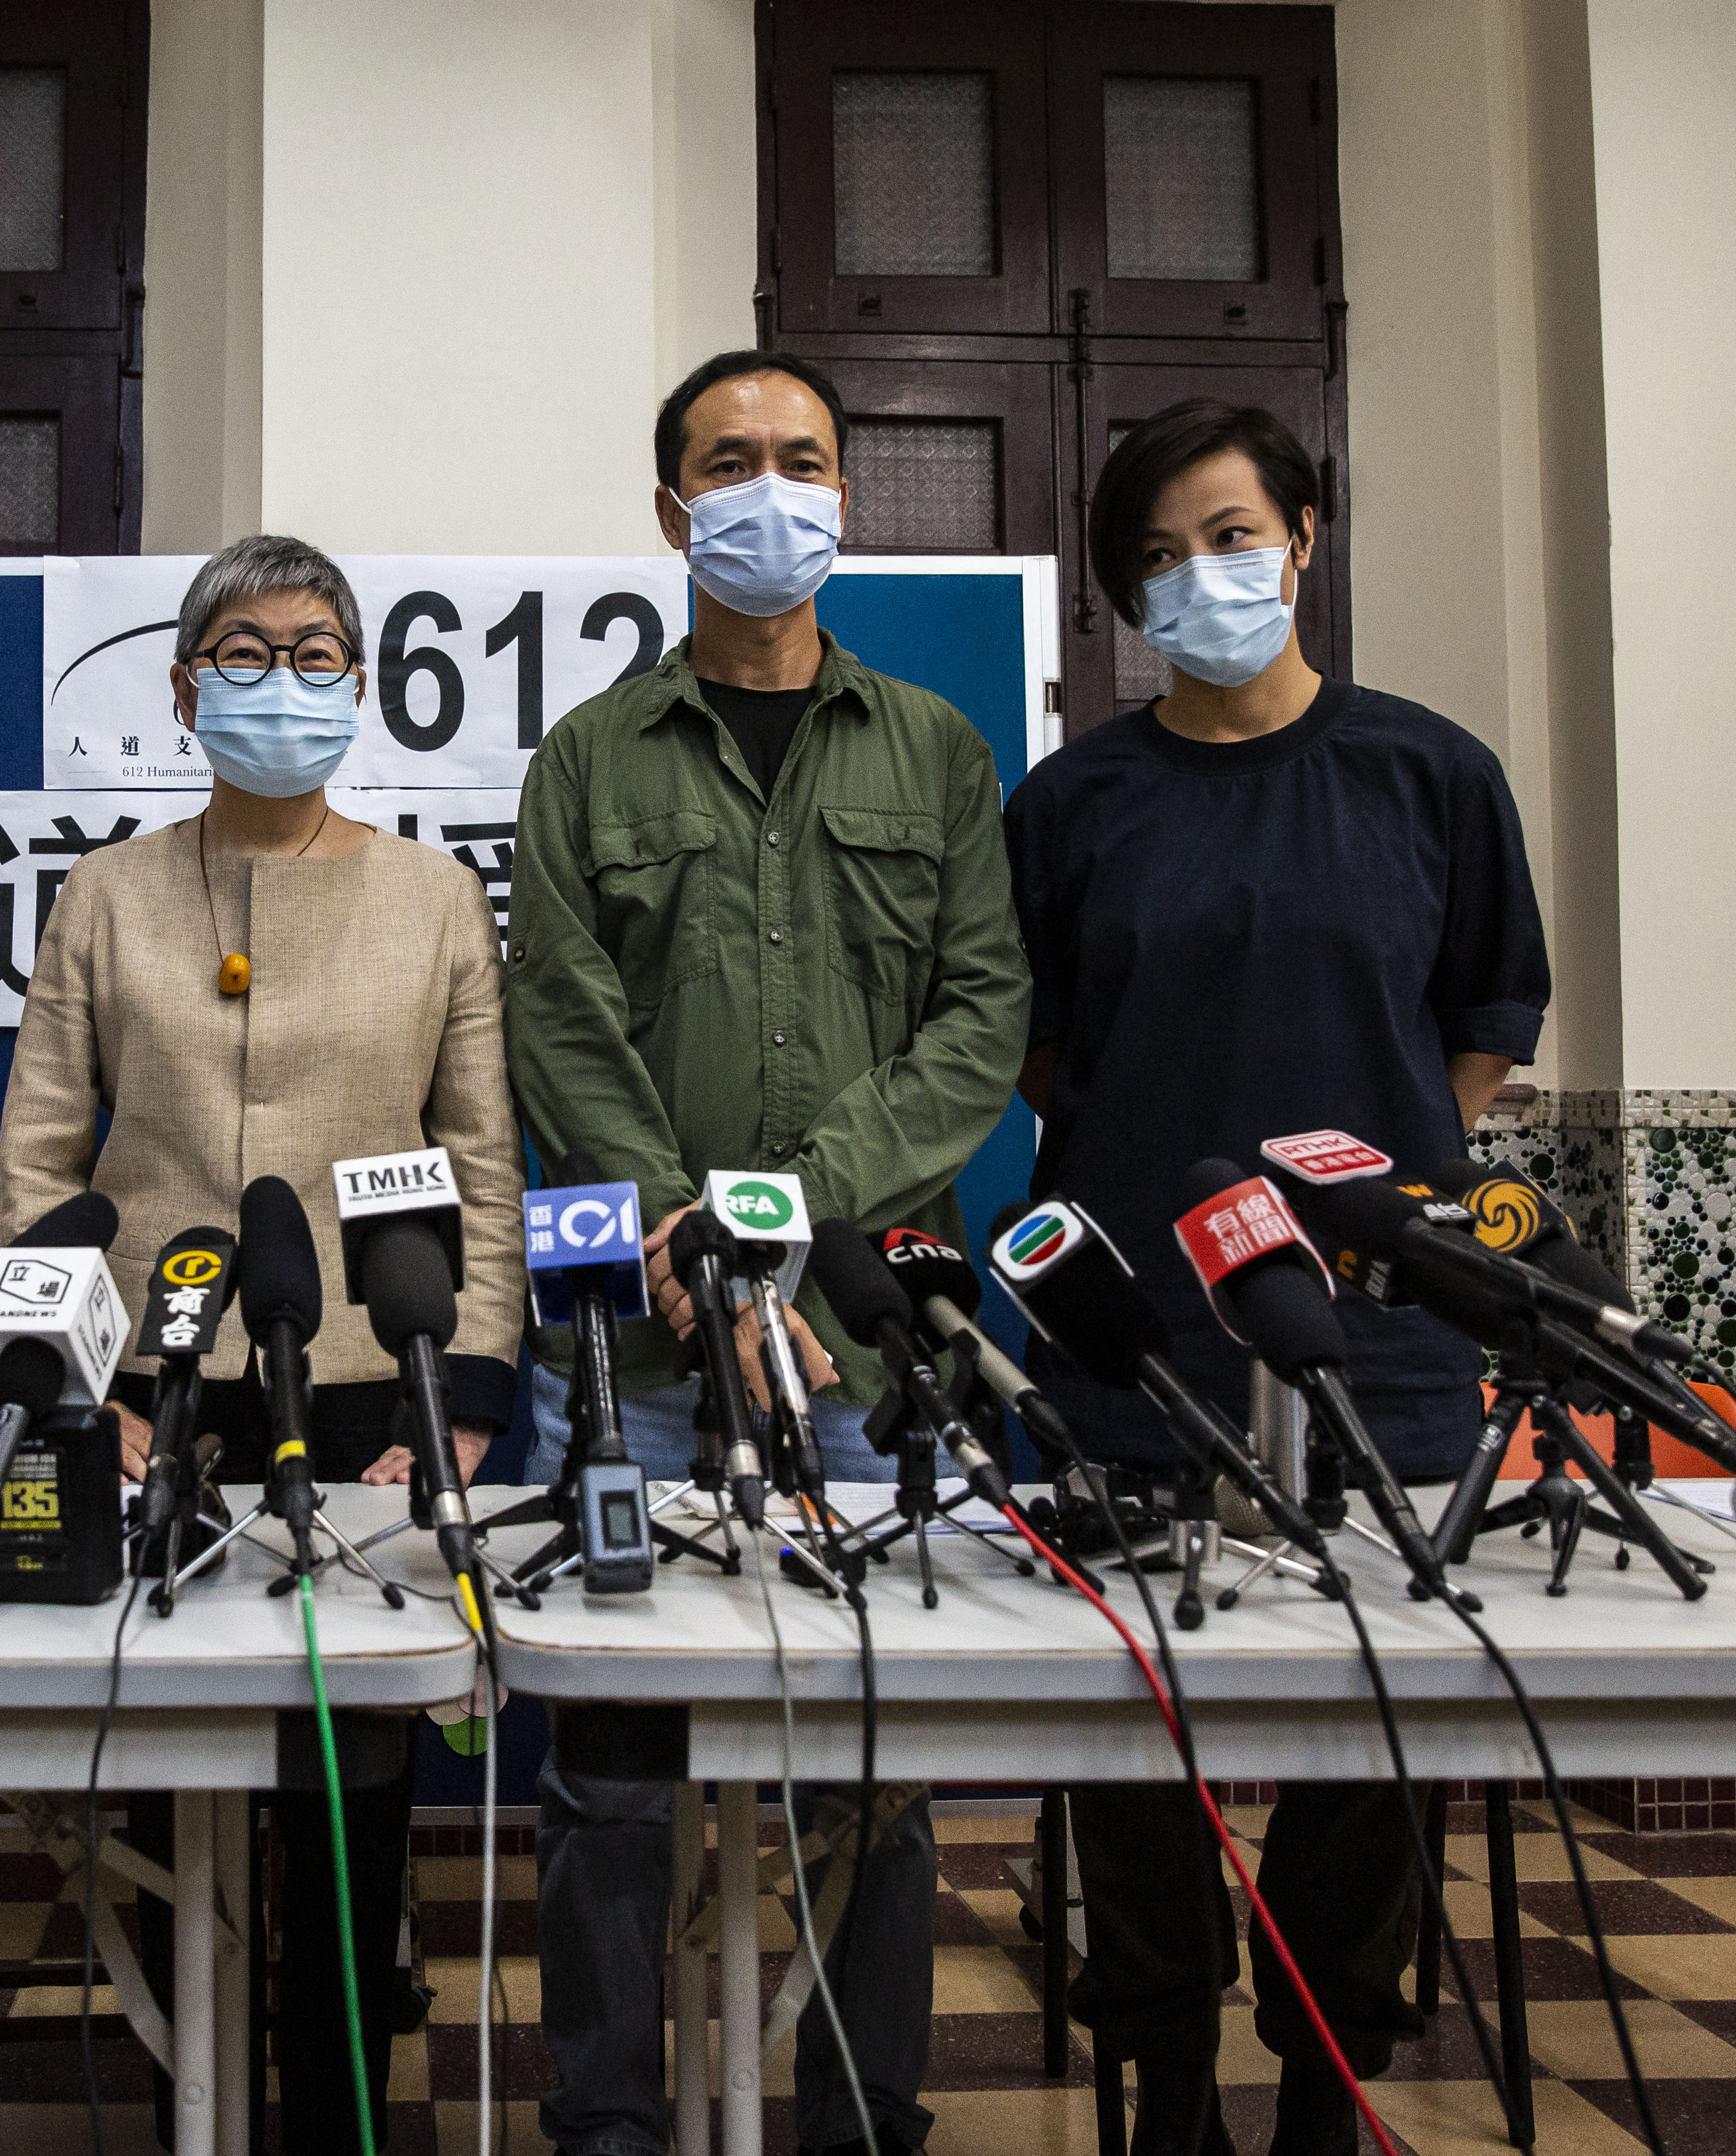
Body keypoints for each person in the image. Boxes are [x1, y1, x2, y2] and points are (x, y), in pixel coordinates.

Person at [1005, 399, 1551, 2156]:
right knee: (1131, 1725)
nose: (1201, 577)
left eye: (1231, 537)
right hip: (1129, 1341)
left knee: (1378, 1725)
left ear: (1306, 536)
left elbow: (1478, 1035)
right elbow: (1039, 1056)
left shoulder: (1433, 772)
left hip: (1376, 1343)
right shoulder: (1073, 801)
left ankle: (1331, 2071)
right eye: (1157, 559)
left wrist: (1369, 1189)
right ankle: (1165, 2073)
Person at [506, 349, 1033, 2156]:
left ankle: (865, 2109)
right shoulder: (587, 762)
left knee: (875, 1757)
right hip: (646, 1353)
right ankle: (607, 2117)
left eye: (802, 458)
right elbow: (562, 1022)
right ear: (670, 511)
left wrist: (788, 1214)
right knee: (608, 1770)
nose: (768, 489)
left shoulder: (939, 752)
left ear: (844, 498)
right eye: (728, 462)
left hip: (869, 1348)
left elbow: (980, 1023)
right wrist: (689, 1235)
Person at [0, 531, 525, 2156]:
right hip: (158, 1395)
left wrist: (473, 1390)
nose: (275, 682)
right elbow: (39, 1165)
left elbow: (483, 1160)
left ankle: (340, 2088)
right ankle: (191, 2091)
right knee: (177, 1783)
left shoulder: (435, 897)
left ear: (360, 690)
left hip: (373, 1382)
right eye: (242, 651)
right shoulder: (105, 892)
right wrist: (79, 1396)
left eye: (311, 654)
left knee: (353, 1798)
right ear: (180, 685)